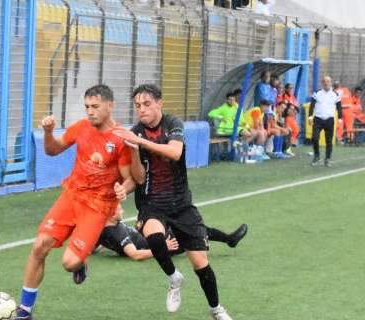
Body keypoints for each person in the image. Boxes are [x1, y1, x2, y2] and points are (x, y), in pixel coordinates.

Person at [13, 85, 134, 320]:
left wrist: (123, 188)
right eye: (87, 107)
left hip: (98, 206)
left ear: (110, 106)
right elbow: (53, 150)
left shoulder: (120, 139)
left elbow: (131, 178)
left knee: (69, 263)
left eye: (95, 107)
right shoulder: (81, 127)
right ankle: (25, 311)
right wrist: (48, 132)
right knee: (40, 246)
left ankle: (80, 264)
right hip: (72, 196)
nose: (90, 112)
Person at [114, 84, 234, 320]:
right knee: (155, 237)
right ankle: (174, 277)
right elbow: (138, 177)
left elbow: (175, 152)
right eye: (137, 105)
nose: (141, 110)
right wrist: (124, 185)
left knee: (201, 264)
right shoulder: (134, 132)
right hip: (151, 203)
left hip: (181, 204)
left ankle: (216, 310)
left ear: (159, 103)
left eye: (147, 104)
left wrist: (142, 143)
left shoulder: (173, 124)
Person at [96, 205, 249, 260]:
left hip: (151, 236)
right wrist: (164, 247)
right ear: (110, 213)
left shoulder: (100, 228)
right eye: (119, 208)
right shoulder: (117, 232)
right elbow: (135, 254)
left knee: (184, 225)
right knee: (191, 228)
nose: (122, 209)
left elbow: (94, 245)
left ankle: (226, 239)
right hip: (162, 243)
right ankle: (229, 239)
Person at [308, 76, 343, 167]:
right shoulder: (317, 93)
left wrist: (340, 119)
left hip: (329, 120)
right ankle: (317, 157)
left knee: (329, 141)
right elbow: (312, 105)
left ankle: (327, 158)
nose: (326, 83)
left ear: (331, 83)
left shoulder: (335, 94)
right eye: (324, 82)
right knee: (315, 138)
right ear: (322, 83)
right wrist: (310, 117)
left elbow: (339, 107)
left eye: (328, 81)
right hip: (318, 119)